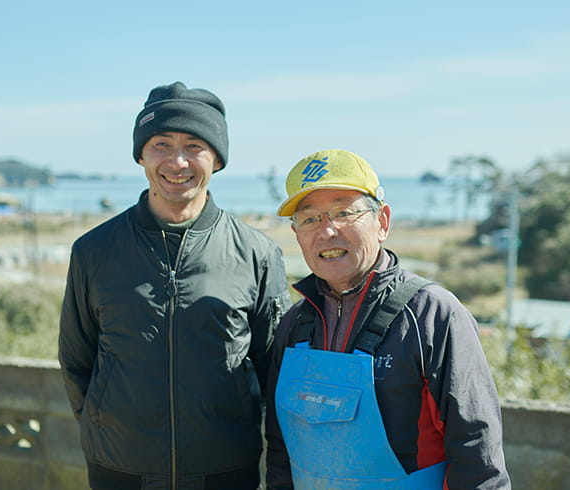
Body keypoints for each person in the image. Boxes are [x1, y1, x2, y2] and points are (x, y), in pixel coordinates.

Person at [59, 81, 292, 490]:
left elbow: (276, 372)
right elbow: (77, 360)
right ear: (142, 156)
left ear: (216, 159)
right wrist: (108, 426)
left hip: (225, 469)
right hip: (119, 466)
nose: (177, 161)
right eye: (161, 145)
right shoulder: (93, 251)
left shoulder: (258, 254)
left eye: (194, 146)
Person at [265, 149, 510, 489]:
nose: (327, 230)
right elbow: (280, 452)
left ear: (382, 222)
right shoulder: (294, 325)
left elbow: (477, 454)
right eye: (310, 219)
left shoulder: (432, 315)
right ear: (297, 235)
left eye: (343, 212)